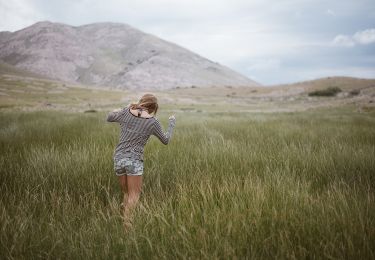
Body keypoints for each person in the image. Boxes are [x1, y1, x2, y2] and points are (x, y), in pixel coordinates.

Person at [106, 93, 176, 223]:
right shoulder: (152, 122)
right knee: (134, 195)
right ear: (154, 107)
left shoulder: (127, 111)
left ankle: (123, 221)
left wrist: (124, 108)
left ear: (141, 101)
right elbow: (165, 140)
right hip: (134, 160)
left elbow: (109, 117)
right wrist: (171, 123)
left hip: (119, 158)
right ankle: (128, 226)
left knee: (126, 194)